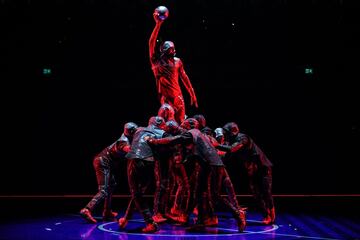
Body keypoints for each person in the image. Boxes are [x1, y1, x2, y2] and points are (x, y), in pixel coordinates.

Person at [146, 118, 246, 232]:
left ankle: (238, 214)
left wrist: (154, 141)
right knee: (198, 193)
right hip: (208, 164)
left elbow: (174, 139)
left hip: (212, 165)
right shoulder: (198, 134)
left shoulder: (191, 133)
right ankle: (199, 221)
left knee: (214, 195)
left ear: (189, 126)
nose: (182, 129)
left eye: (184, 126)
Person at [80, 122, 138, 223]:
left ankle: (107, 211)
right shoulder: (123, 142)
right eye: (136, 132)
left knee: (112, 185)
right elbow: (130, 150)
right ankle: (87, 209)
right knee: (103, 190)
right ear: (132, 132)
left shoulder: (127, 138)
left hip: (104, 162)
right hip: (102, 162)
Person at [119, 116, 167, 233]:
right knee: (138, 193)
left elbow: (123, 140)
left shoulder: (138, 129)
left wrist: (128, 147)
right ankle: (126, 218)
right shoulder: (162, 132)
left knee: (136, 193)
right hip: (150, 162)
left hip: (136, 158)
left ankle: (150, 222)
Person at [221, 122, 275, 225]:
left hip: (263, 168)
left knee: (266, 192)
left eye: (226, 132)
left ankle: (271, 215)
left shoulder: (243, 138)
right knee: (256, 194)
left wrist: (216, 145)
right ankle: (266, 214)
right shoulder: (231, 141)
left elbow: (232, 149)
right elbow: (227, 154)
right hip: (252, 170)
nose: (225, 135)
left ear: (232, 132)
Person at [149, 10, 198, 123]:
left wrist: (192, 93)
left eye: (174, 49)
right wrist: (158, 24)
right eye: (172, 50)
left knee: (181, 124)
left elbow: (185, 78)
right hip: (166, 100)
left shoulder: (177, 62)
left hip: (178, 98)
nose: (174, 51)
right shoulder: (157, 63)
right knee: (169, 125)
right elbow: (151, 43)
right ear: (165, 51)